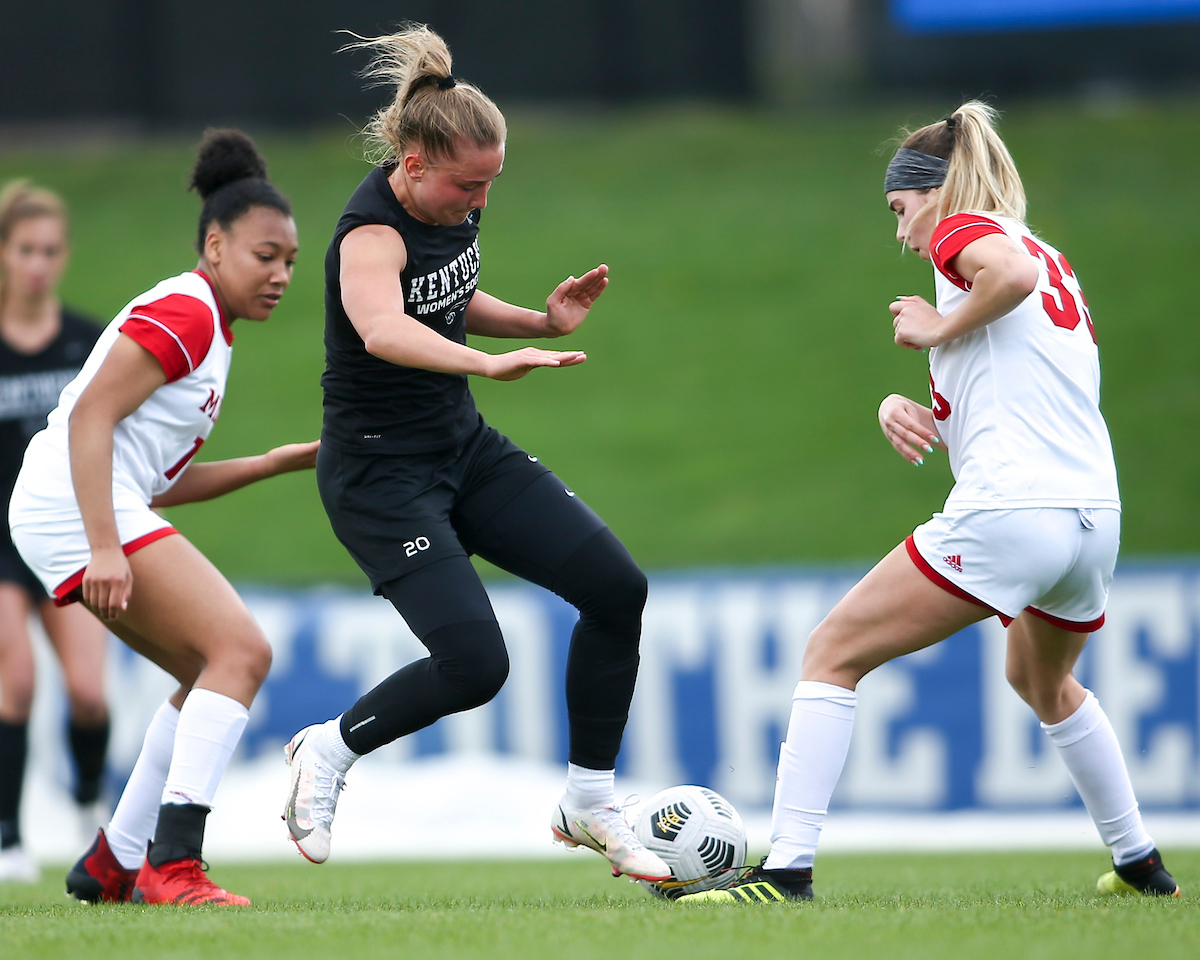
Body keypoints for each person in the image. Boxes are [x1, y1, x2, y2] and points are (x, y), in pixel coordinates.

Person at [681, 102, 1179, 904]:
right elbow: (1009, 383)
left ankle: (785, 875)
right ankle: (1142, 869)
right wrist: (903, 405)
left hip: (1015, 513)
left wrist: (933, 334)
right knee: (1043, 683)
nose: (903, 233)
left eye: (900, 209)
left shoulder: (964, 234)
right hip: (1092, 520)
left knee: (830, 653)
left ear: (935, 193)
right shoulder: (1048, 258)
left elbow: (998, 281)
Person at [281, 23, 668, 883]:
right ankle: (330, 749)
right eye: (468, 185)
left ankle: (589, 800)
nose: (480, 203)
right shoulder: (368, 235)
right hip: (380, 476)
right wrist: (490, 362)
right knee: (475, 664)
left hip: (461, 449)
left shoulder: (446, 207)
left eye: (492, 184)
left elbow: (448, 295)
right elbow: (384, 327)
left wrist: (537, 321)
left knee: (616, 590)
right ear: (413, 166)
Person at [8, 129, 317, 905]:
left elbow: (155, 480)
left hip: (75, 504)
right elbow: (88, 424)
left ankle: (113, 863)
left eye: (290, 261)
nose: (281, 274)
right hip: (71, 503)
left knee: (205, 672)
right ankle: (172, 865)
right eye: (264, 255)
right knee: (242, 651)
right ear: (215, 245)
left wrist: (272, 462)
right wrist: (106, 548)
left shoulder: (211, 330)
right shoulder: (188, 309)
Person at [0, 182, 110, 884]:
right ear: (5, 255)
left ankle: (88, 806)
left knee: (89, 692)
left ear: (64, 255)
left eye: (49, 250)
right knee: (15, 681)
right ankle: (8, 837)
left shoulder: (88, 339)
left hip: (69, 534)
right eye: (25, 250)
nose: (38, 263)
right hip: (1, 542)